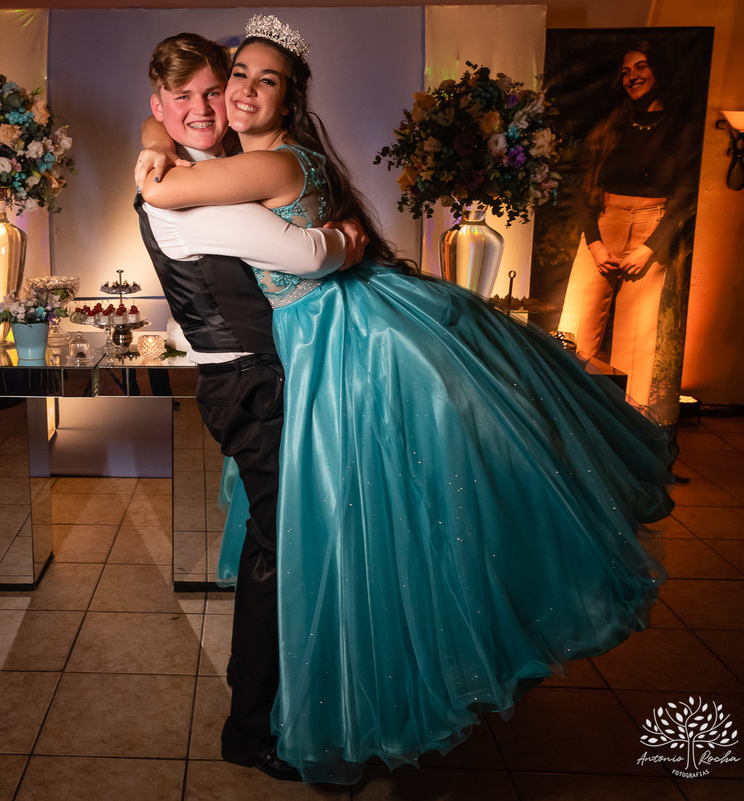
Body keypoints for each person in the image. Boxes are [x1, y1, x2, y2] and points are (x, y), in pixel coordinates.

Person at [140, 15, 675, 784]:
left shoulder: (259, 164)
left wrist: (153, 141)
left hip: (338, 347)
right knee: (340, 528)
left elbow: (198, 195)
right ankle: (310, 700)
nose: (239, 93)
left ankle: (338, 696)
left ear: (288, 101)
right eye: (235, 79)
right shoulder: (255, 162)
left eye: (261, 80)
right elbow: (288, 241)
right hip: (327, 341)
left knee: (343, 530)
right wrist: (161, 137)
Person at [134, 32, 366, 782]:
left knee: (277, 547)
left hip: (264, 376)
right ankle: (251, 724)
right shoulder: (175, 198)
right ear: (159, 106)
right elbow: (301, 254)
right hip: (248, 383)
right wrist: (343, 240)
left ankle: (265, 706)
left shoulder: (203, 169)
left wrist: (154, 138)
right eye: (183, 99)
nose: (204, 109)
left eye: (213, 90)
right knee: (285, 546)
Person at [557, 40, 699, 423]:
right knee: (575, 328)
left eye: (640, 67)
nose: (631, 76)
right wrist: (596, 243)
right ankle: (570, 418)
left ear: (659, 71)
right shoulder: (609, 127)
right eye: (625, 71)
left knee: (636, 342)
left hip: (652, 228)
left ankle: (629, 429)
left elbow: (685, 195)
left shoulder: (680, 130)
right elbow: (583, 192)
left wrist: (650, 249)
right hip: (606, 224)